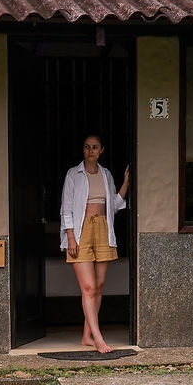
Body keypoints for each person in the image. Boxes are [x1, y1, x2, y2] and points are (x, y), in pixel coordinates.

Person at [60, 134, 131, 354]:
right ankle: (98, 337)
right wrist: (71, 237)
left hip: (103, 229)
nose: (91, 150)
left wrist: (125, 184)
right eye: (87, 147)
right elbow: (66, 208)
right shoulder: (74, 174)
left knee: (99, 287)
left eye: (95, 147)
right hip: (81, 232)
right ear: (83, 150)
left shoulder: (106, 174)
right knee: (88, 287)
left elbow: (113, 205)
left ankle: (86, 335)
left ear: (101, 150)